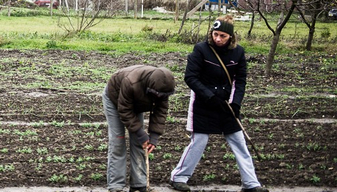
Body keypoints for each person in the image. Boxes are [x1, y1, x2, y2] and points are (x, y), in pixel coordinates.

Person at [169, 15, 268, 192]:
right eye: (215, 34)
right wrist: (209, 96)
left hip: (226, 105)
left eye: (223, 36)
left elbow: (240, 80)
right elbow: (190, 77)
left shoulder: (238, 53)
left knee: (239, 142)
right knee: (198, 142)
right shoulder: (200, 50)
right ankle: (179, 177)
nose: (218, 39)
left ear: (231, 36)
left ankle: (251, 183)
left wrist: (236, 103)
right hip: (203, 103)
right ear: (211, 33)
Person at [103, 65, 176, 192]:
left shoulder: (163, 88)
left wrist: (153, 137)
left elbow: (160, 111)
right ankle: (116, 185)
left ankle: (139, 184)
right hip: (115, 100)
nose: (160, 98)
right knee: (118, 141)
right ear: (150, 87)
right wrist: (140, 132)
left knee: (139, 143)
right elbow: (124, 110)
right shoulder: (131, 82)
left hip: (137, 103)